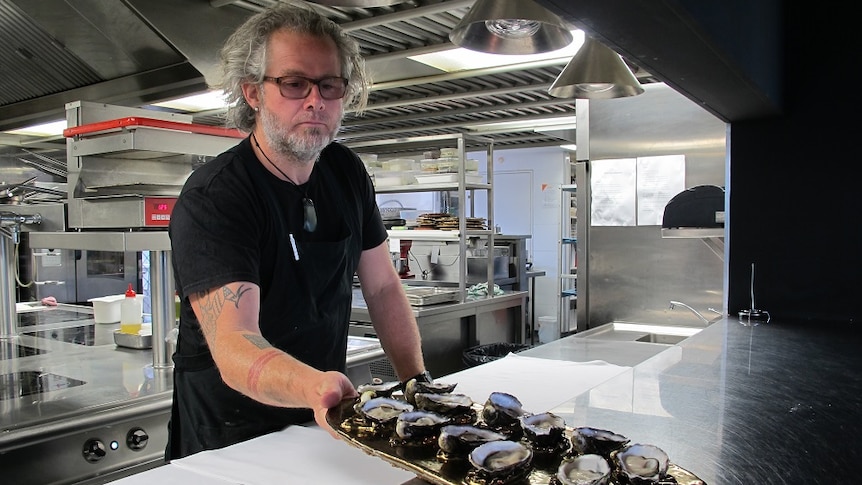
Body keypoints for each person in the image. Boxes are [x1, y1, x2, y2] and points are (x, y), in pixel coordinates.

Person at [166, 4, 429, 460]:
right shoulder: (216, 197)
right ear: (252, 93)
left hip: (318, 425)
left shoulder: (345, 171)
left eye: (330, 85)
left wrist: (417, 383)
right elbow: (233, 345)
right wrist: (316, 386)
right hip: (227, 441)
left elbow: (384, 287)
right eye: (293, 84)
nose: (316, 100)